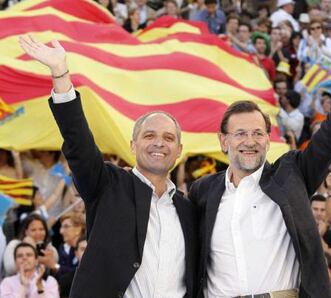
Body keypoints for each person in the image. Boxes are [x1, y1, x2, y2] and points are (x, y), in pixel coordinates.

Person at [189, 5, 331, 297]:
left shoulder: (291, 175)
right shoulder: (201, 192)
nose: (250, 140)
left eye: (258, 133)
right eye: (241, 134)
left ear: (268, 139)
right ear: (224, 141)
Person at [18, 35, 197, 297]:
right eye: (149, 136)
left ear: (179, 150)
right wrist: (60, 73)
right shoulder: (108, 185)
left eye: (168, 138)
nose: (159, 143)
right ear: (133, 145)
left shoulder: (189, 209)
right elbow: (79, 143)